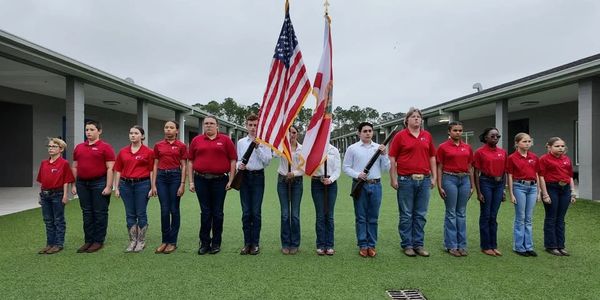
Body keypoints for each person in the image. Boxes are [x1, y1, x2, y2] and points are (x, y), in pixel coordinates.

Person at [389, 107, 436, 257]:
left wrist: (434, 176)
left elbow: (432, 157)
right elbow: (392, 158)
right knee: (406, 214)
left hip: (424, 180)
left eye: (418, 117)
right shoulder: (400, 136)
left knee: (420, 214)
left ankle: (419, 245)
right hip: (406, 180)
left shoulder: (427, 136)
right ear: (407, 120)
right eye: (413, 116)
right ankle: (407, 245)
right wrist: (393, 178)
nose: (417, 119)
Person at [189, 116, 237, 255]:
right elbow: (190, 161)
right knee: (205, 213)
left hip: (220, 181)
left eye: (211, 123)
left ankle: (216, 243)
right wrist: (191, 181)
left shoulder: (225, 140)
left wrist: (231, 180)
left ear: (217, 126)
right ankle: (204, 243)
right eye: (206, 124)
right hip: (201, 180)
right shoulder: (196, 140)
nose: (208, 126)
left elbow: (233, 160)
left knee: (217, 213)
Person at [343, 122, 389, 257]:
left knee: (373, 217)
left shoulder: (379, 148)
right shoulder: (352, 148)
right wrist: (358, 175)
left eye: (370, 131)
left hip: (376, 185)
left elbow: (386, 169)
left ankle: (372, 244)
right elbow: (346, 167)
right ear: (359, 133)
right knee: (361, 217)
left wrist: (384, 154)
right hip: (360, 185)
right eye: (365, 131)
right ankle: (363, 244)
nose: (368, 133)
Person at [71, 120, 115, 253]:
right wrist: (74, 185)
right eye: (87, 130)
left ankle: (98, 241)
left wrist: (108, 186)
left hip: (99, 183)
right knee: (87, 212)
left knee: (100, 212)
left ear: (99, 131)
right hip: (82, 184)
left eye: (91, 130)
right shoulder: (79, 147)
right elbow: (74, 166)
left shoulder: (105, 147)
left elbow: (110, 168)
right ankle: (88, 240)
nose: (88, 132)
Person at [114, 125, 155, 253]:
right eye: (131, 133)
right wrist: (117, 187)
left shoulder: (149, 152)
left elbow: (152, 170)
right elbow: (118, 170)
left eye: (136, 133)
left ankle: (141, 241)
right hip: (125, 185)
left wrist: (153, 187)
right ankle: (132, 241)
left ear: (142, 136)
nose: (133, 135)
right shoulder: (123, 152)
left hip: (142, 184)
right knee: (130, 213)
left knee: (141, 213)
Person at [436, 121, 474, 257]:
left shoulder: (467, 147)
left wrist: (472, 185)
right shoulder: (443, 147)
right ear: (449, 132)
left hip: (464, 180)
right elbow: (439, 167)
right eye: (455, 130)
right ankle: (451, 245)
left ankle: (462, 245)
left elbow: (470, 167)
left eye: (460, 130)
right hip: (449, 179)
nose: (458, 133)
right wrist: (440, 185)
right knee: (451, 212)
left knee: (462, 213)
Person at [237, 114, 272, 255]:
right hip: (244, 177)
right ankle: (247, 243)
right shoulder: (241, 142)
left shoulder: (264, 142)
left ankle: (255, 243)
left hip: (258, 177)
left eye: (255, 125)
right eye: (250, 125)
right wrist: (240, 166)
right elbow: (238, 160)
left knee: (256, 212)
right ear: (246, 126)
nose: (252, 128)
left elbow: (267, 161)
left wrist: (258, 148)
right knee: (246, 212)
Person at [152, 120, 187, 254]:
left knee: (174, 209)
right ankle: (164, 241)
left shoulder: (181, 146)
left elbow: (184, 165)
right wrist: (153, 184)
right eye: (166, 127)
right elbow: (155, 165)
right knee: (164, 210)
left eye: (171, 128)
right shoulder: (158, 145)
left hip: (175, 177)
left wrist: (182, 184)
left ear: (177, 131)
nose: (168, 130)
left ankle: (173, 242)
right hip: (161, 177)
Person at [36, 137, 75, 254]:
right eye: (49, 146)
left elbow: (66, 180)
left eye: (54, 146)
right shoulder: (44, 163)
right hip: (45, 195)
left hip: (57, 195)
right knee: (48, 220)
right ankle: (49, 244)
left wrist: (65, 195)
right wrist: (40, 195)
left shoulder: (64, 163)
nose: (51, 148)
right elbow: (42, 181)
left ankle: (58, 244)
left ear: (61, 149)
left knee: (58, 220)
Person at [538, 137, 576, 256]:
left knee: (561, 218)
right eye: (557, 146)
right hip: (551, 188)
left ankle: (561, 245)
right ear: (549, 147)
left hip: (565, 190)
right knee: (551, 217)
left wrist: (572, 191)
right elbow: (541, 177)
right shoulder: (544, 159)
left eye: (562, 146)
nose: (560, 148)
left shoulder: (567, 159)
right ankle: (551, 246)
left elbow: (570, 176)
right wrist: (545, 194)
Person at [473, 127, 507, 257]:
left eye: (497, 136)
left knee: (494, 216)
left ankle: (494, 245)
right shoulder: (480, 152)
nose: (495, 138)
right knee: (486, 215)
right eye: (492, 136)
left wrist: (503, 188)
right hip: (486, 183)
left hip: (499, 185)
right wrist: (479, 192)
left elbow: (504, 172)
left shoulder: (502, 152)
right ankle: (486, 246)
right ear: (486, 137)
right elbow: (476, 172)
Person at [507, 133, 540, 257]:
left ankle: (529, 246)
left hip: (532, 187)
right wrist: (511, 193)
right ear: (517, 143)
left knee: (529, 218)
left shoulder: (534, 157)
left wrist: (539, 191)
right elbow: (509, 175)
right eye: (524, 141)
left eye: (529, 141)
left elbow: (536, 173)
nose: (527, 144)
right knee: (520, 217)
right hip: (519, 187)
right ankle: (519, 247)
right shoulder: (512, 158)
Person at [276, 125, 304, 255]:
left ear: (297, 134)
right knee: (285, 214)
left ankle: (295, 243)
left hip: (296, 182)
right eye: (289, 133)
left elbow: (305, 167)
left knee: (295, 215)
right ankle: (285, 243)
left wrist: (295, 173)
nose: (291, 135)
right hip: (282, 181)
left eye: (294, 132)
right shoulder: (281, 147)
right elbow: (273, 153)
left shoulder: (302, 149)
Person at [311, 143, 341, 256]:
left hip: (331, 183)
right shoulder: (313, 148)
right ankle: (320, 245)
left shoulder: (334, 150)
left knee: (329, 215)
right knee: (320, 215)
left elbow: (337, 169)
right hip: (317, 182)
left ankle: (329, 245)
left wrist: (331, 179)